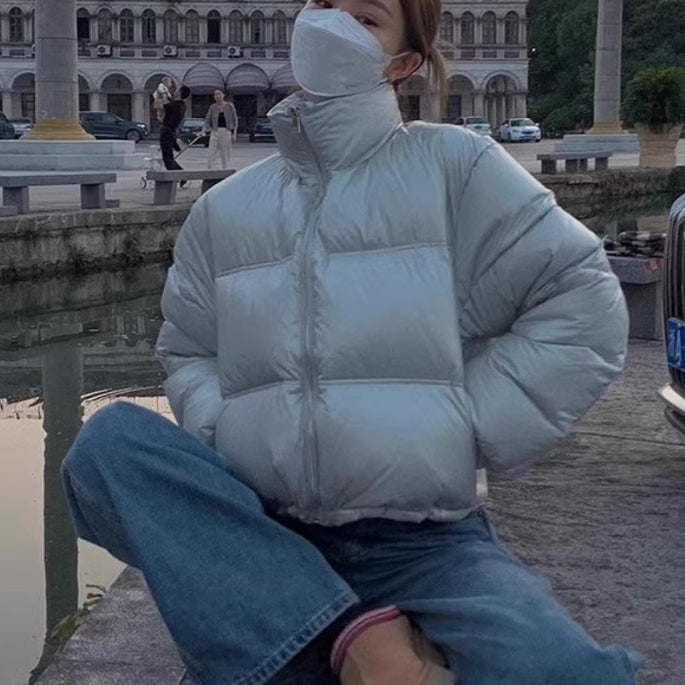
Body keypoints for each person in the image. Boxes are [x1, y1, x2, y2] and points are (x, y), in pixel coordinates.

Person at [61, 0, 643, 684]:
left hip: (422, 541)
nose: (331, 25)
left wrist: (466, 424)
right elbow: (188, 350)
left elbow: (580, 297)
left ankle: (298, 642)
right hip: (266, 527)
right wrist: (227, 430)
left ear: (401, 62)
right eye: (323, 5)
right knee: (109, 446)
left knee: (572, 673)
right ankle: (356, 640)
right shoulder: (226, 208)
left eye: (363, 17)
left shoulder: (454, 166)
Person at [159, 85, 190, 188]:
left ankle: (176, 177)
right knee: (169, 157)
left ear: (180, 92)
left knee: (167, 159)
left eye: (177, 90)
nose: (175, 91)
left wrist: (160, 95)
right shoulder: (181, 105)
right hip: (172, 131)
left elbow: (159, 106)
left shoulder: (175, 105)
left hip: (167, 131)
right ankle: (181, 175)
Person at [203, 89, 238, 170]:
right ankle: (210, 169)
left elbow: (235, 120)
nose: (218, 96)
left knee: (224, 152)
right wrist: (203, 130)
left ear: (223, 95)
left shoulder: (230, 106)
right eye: (215, 94)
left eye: (219, 94)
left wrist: (234, 133)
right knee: (211, 152)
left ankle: (225, 169)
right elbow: (207, 119)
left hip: (226, 131)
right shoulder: (212, 107)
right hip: (215, 131)